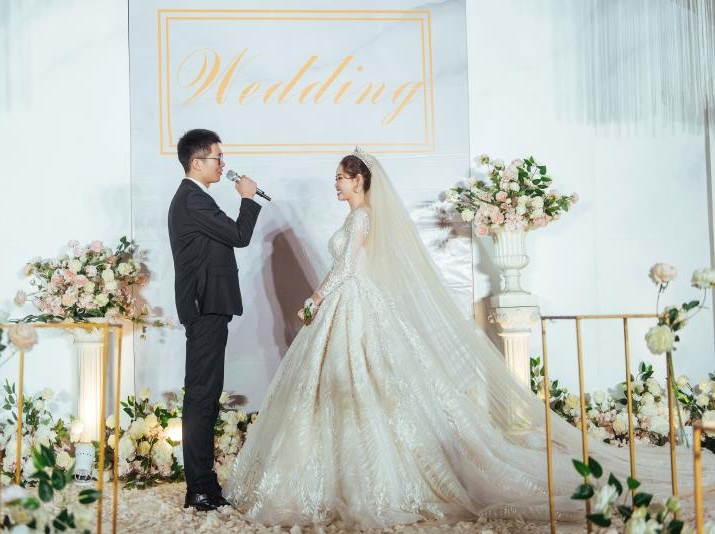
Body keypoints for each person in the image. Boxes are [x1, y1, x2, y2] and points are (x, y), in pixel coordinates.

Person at [223, 148, 714, 528]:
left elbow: (348, 270)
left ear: (359, 180)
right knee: (353, 388)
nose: (335, 183)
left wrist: (314, 299)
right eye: (336, 177)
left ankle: (372, 480)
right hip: (354, 306)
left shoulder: (361, 217)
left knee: (360, 387)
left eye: (340, 177)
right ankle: (352, 474)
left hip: (352, 303)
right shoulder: (358, 218)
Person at [168, 128, 262, 511]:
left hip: (209, 306)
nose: (223, 164)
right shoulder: (193, 199)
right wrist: (247, 198)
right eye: (217, 158)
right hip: (204, 307)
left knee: (205, 395)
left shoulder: (195, 198)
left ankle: (204, 486)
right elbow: (239, 235)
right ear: (197, 162)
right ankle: (200, 489)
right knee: (202, 397)